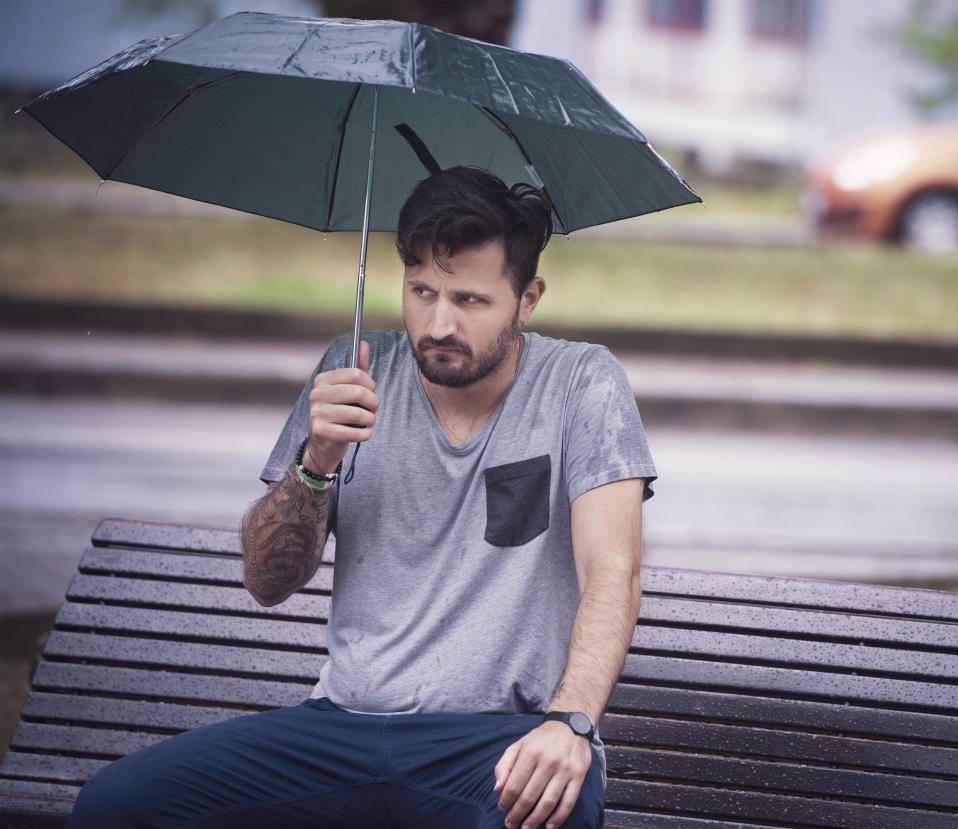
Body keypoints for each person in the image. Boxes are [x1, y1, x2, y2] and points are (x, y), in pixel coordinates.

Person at [68, 167, 656, 829]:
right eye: (421, 290)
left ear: (528, 298)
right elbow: (267, 581)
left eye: (469, 299)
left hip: (497, 742)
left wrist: (570, 721)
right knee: (113, 807)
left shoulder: (582, 384)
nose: (438, 322)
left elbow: (613, 570)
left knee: (555, 810)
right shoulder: (351, 373)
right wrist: (315, 464)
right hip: (340, 731)